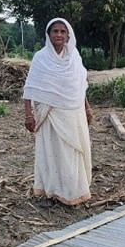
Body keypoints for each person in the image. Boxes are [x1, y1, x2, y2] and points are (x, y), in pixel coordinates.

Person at [22, 17, 94, 207]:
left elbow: (80, 86)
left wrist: (87, 108)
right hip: (50, 114)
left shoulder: (74, 57)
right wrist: (29, 115)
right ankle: (51, 193)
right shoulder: (41, 58)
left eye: (63, 31)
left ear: (68, 34)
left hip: (73, 112)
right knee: (51, 152)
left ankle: (73, 193)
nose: (59, 35)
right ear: (48, 34)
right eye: (55, 31)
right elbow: (30, 88)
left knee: (72, 151)